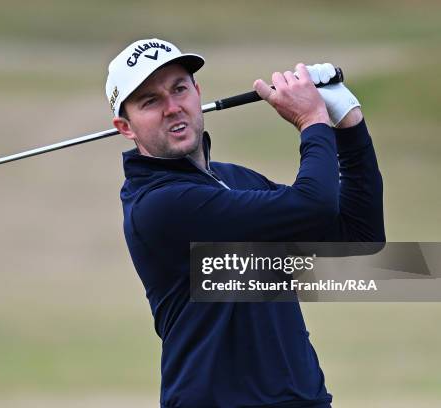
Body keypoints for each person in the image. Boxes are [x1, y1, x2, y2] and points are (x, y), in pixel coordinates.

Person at [106, 38, 384, 408]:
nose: (172, 108)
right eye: (150, 101)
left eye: (179, 89)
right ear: (125, 127)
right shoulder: (159, 205)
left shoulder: (234, 181)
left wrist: (348, 124)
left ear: (197, 92)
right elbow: (313, 205)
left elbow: (358, 240)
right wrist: (312, 121)